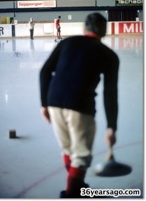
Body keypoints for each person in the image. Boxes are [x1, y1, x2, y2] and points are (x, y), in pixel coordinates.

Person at [39, 13, 119, 198]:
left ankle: (77, 186)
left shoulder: (67, 42)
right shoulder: (109, 55)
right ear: (105, 32)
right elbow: (110, 93)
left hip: (54, 102)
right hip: (80, 106)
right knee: (81, 157)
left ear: (84, 29)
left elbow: (45, 72)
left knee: (68, 150)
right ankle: (73, 194)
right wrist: (111, 127)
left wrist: (44, 104)